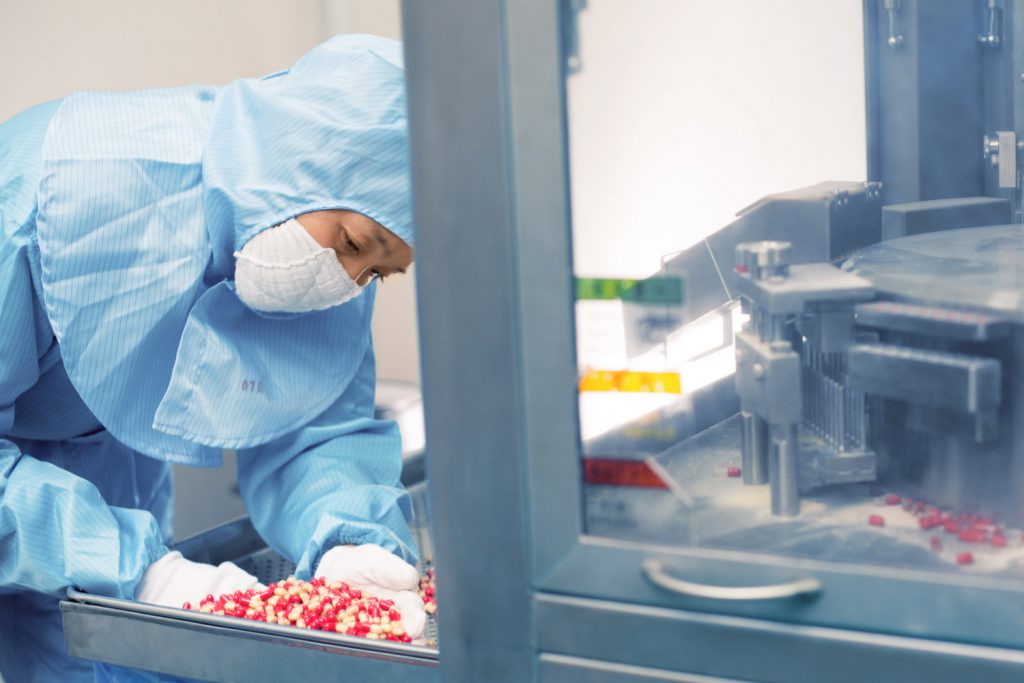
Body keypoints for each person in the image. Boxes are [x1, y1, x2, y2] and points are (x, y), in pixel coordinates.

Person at [0, 35, 426, 682]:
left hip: (105, 498)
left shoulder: (327, 268)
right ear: (299, 160)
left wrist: (349, 538)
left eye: (381, 272)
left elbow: (316, 429)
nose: (350, 278)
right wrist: (129, 562)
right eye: (354, 242)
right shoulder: (40, 206)